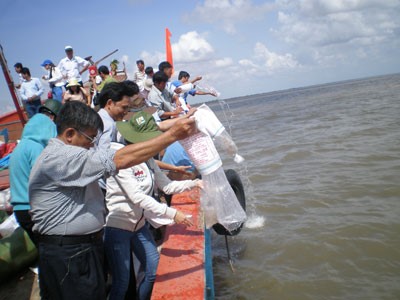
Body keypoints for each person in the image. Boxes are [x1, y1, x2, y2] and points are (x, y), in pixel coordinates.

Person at [29, 101, 197, 299]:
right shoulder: (62, 158)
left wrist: (176, 123)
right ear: (70, 134)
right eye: (90, 138)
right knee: (114, 284)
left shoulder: (72, 153)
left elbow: (118, 154)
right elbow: (118, 160)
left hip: (82, 247)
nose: (93, 144)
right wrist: (172, 136)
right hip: (69, 253)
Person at [104, 111, 201, 300]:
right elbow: (137, 197)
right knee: (122, 283)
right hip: (119, 228)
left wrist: (194, 183)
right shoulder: (121, 159)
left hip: (139, 226)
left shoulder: (147, 159)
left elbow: (166, 185)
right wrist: (172, 213)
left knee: (153, 270)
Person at [9, 99, 61, 244]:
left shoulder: (20, 148)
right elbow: (45, 178)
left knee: (44, 252)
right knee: (52, 251)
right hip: (33, 209)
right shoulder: (35, 148)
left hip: (21, 210)